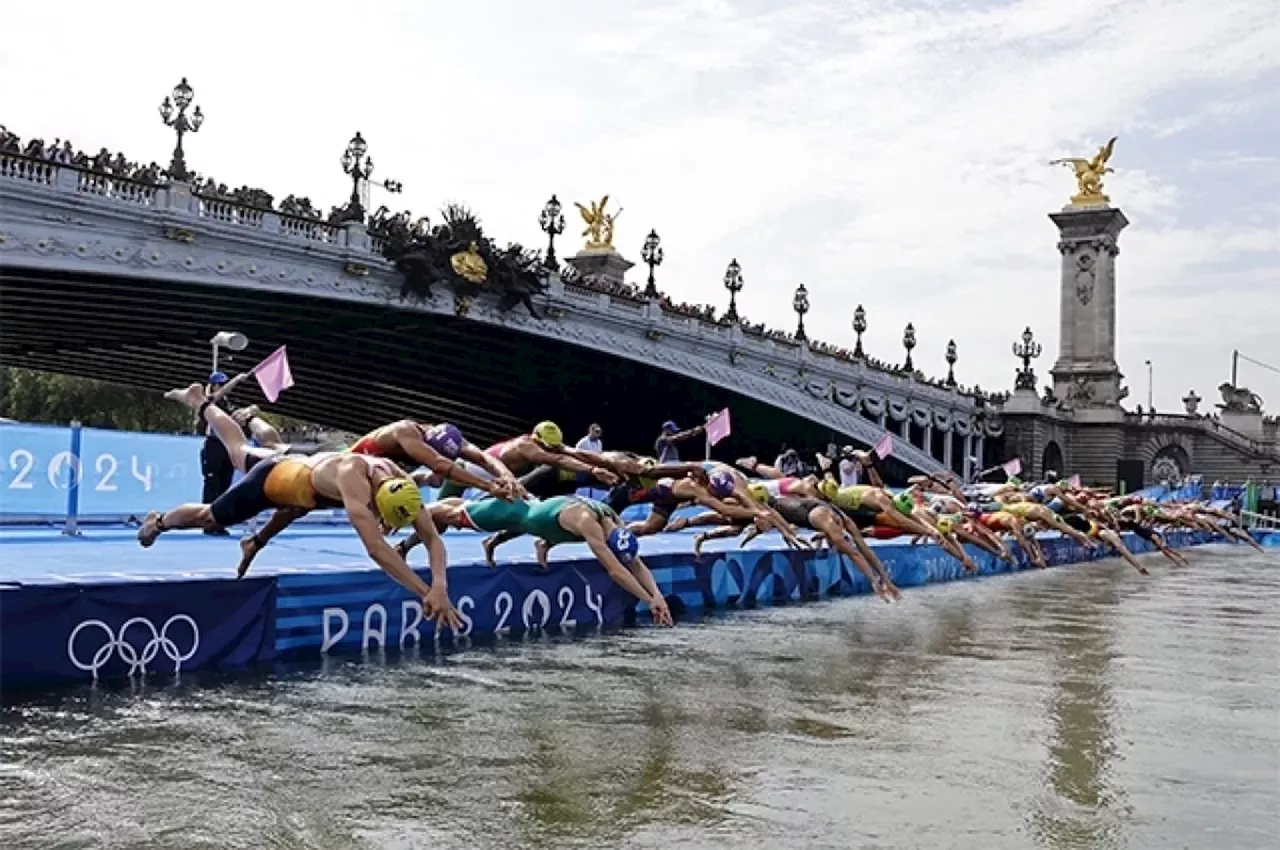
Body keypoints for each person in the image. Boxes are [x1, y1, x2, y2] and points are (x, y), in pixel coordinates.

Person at [141, 378, 461, 629]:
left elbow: (432, 538)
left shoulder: (401, 484)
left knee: (281, 465)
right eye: (381, 517)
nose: (381, 523)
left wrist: (440, 586)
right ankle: (161, 517)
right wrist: (424, 592)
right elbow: (377, 550)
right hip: (278, 478)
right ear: (375, 500)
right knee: (218, 501)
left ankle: (254, 536)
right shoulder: (354, 481)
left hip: (307, 478)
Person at [420, 496, 674, 626]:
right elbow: (616, 571)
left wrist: (657, 595)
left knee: (469, 507)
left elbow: (634, 563)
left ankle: (543, 543)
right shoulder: (591, 525)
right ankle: (414, 512)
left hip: (544, 519)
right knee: (454, 514)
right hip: (519, 514)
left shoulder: (615, 522)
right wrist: (648, 599)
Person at [435, 421, 617, 499]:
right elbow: (559, 460)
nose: (551, 449)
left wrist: (602, 464)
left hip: (487, 476)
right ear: (538, 439)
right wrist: (592, 471)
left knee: (432, 480)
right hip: (463, 473)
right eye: (549, 447)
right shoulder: (527, 447)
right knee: (438, 521)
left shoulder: (543, 443)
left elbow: (572, 453)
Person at [348, 419, 520, 500]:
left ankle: (425, 479)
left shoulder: (450, 438)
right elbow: (439, 464)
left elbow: (483, 458)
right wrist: (488, 486)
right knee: (442, 473)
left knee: (439, 479)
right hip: (349, 467)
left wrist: (507, 475)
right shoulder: (405, 431)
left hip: (386, 472)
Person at [199, 371, 237, 534]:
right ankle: (207, 522)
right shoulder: (208, 402)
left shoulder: (228, 404)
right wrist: (236, 380)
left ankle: (219, 521)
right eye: (220, 384)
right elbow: (217, 396)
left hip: (226, 446)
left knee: (225, 484)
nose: (223, 387)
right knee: (212, 484)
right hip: (213, 446)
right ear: (213, 386)